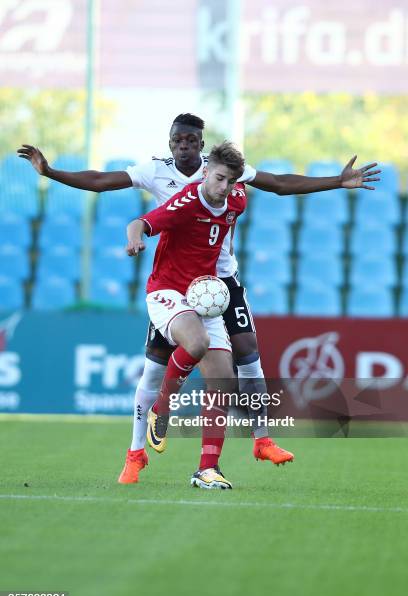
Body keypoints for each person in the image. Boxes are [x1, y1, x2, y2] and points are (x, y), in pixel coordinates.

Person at [18, 114, 380, 482]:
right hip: (173, 283)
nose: (186, 145)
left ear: (203, 146)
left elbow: (280, 183)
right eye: (179, 139)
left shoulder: (229, 179)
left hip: (217, 283)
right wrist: (51, 173)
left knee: (244, 357)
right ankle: (137, 449)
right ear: (171, 142)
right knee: (156, 367)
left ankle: (246, 447)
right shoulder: (167, 181)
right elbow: (102, 183)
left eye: (193, 140)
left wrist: (336, 181)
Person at [123, 141, 266, 488]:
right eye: (219, 178)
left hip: (205, 294)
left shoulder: (237, 199)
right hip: (167, 291)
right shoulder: (185, 203)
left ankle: (207, 469)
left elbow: (270, 186)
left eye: (231, 181)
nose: (224, 188)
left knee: (223, 381)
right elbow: (139, 223)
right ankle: (161, 408)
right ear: (205, 172)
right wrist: (135, 240)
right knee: (196, 343)